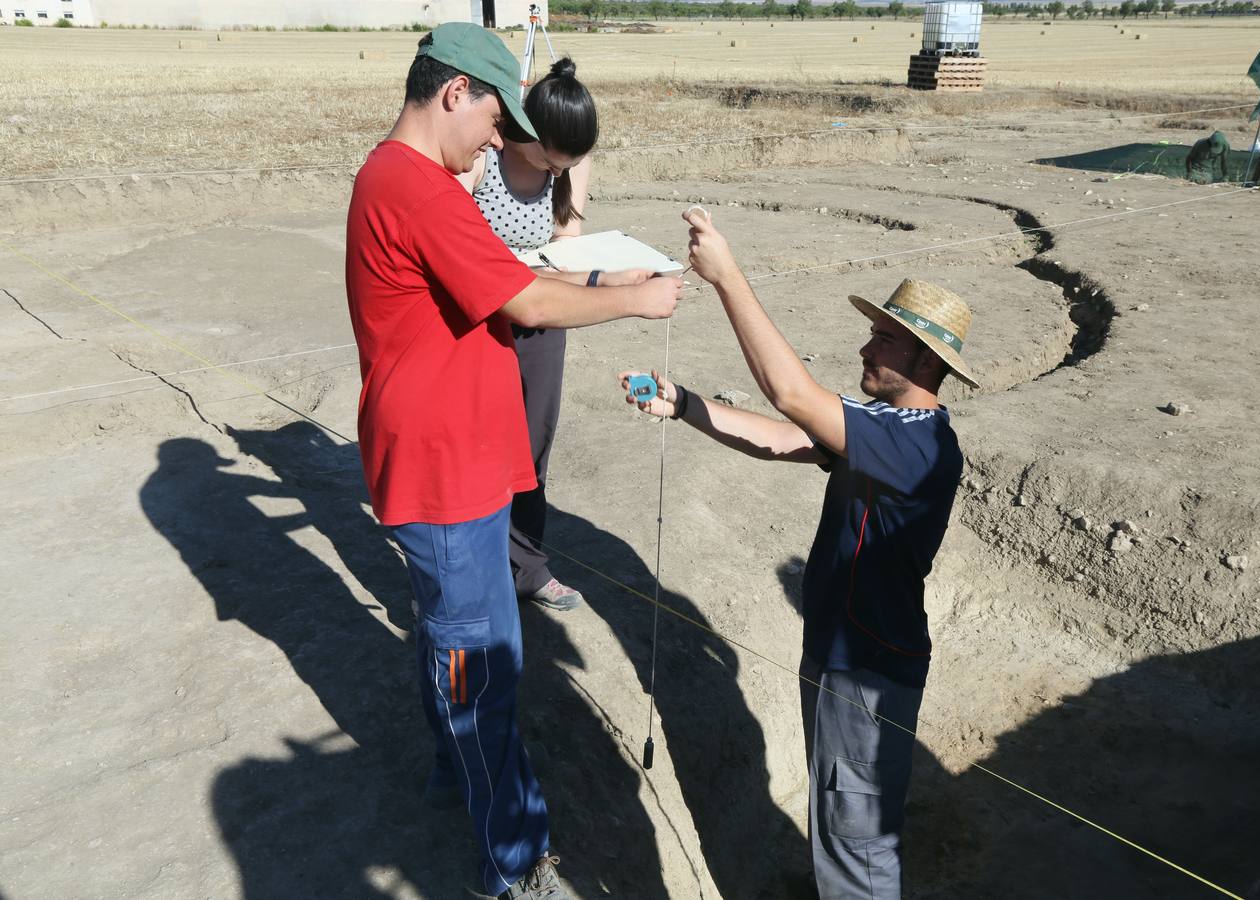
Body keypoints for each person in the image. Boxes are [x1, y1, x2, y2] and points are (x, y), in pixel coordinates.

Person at [344, 23, 680, 900]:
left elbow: (500, 277)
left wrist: (602, 282)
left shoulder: (416, 181)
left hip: (457, 462)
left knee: (458, 645)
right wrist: (639, 301)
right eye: (496, 122)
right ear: (455, 91)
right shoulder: (415, 188)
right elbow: (523, 299)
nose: (500, 144)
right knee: (480, 669)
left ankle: (457, 776)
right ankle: (517, 865)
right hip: (442, 472)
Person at [620, 211, 976, 899]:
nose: (865, 346)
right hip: (843, 658)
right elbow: (784, 437)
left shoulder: (916, 446)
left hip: (866, 673)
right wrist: (684, 404)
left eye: (884, 338)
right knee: (841, 825)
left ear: (925, 362)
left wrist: (727, 277)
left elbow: (790, 395)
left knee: (858, 846)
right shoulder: (890, 426)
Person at [456, 57, 626, 613]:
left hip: (543, 318)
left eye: (570, 163)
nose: (560, 171)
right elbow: (455, 244)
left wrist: (601, 276)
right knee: (473, 450)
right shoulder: (483, 157)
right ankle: (460, 580)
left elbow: (566, 247)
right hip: (480, 323)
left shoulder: (570, 165)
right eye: (554, 159)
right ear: (528, 131)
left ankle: (527, 569)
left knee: (532, 450)